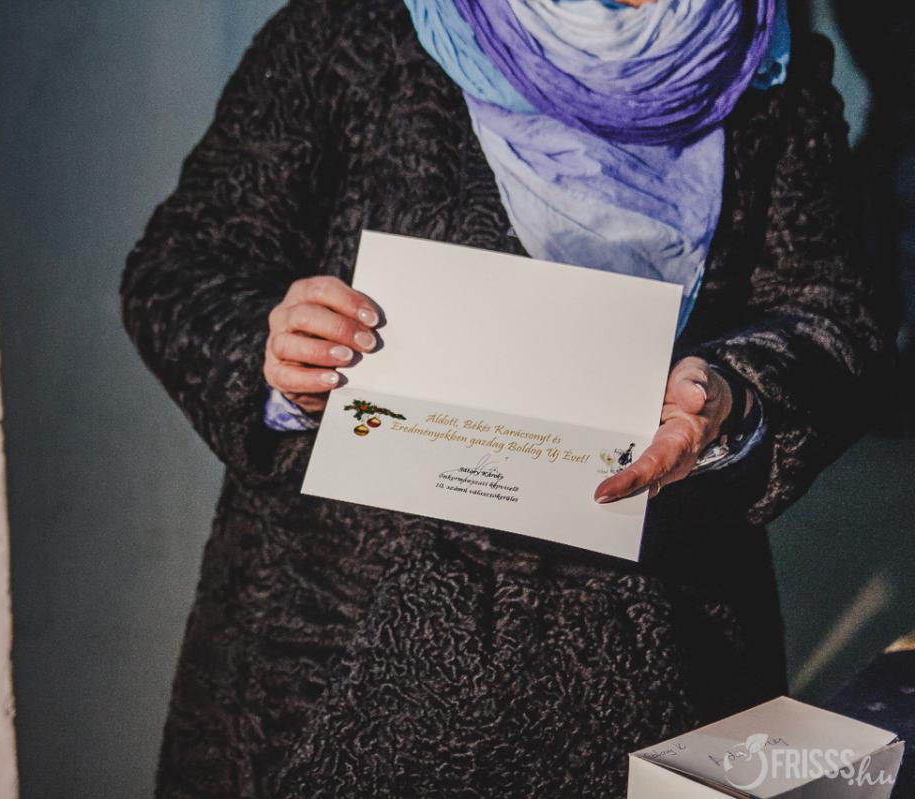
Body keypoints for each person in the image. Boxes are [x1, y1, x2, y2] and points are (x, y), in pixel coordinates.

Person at [121, 0, 886, 795]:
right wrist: (277, 355)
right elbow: (182, 265)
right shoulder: (353, 30)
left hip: (661, 652)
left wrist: (734, 394)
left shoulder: (760, 63)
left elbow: (832, 315)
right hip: (335, 651)